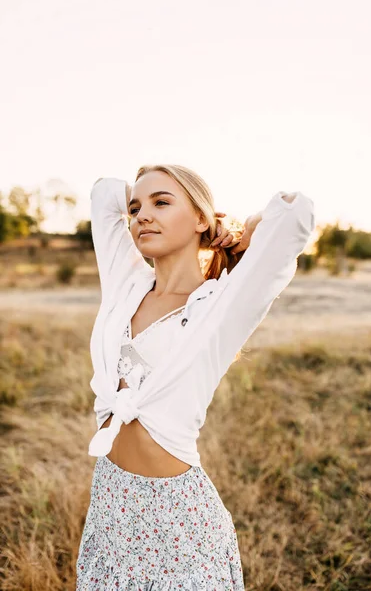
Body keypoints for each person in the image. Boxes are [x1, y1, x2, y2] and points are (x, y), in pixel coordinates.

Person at [76, 165, 315, 590]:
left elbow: (294, 216)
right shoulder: (125, 283)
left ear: (202, 219)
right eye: (136, 209)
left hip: (178, 520)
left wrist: (244, 228)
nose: (141, 216)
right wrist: (153, 188)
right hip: (111, 502)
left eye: (162, 203)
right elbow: (103, 193)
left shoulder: (221, 303)